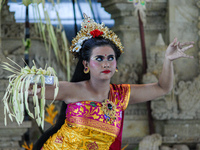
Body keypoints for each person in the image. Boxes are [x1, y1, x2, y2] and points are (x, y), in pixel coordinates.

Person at [33, 14, 194, 150]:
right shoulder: (72, 90)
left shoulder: (120, 94)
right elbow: (32, 89)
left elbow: (162, 87)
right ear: (86, 64)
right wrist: (33, 80)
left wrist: (168, 60)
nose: (106, 63)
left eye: (111, 58)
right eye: (99, 59)